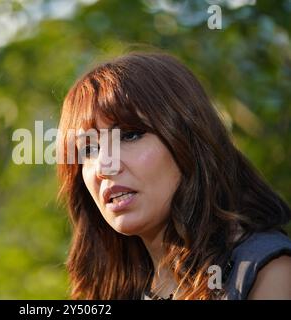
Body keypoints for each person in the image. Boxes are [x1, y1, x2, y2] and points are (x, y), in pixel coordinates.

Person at [56, 52, 291, 300]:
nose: (104, 166)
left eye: (130, 135)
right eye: (89, 149)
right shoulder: (108, 292)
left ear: (189, 140)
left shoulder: (267, 271)